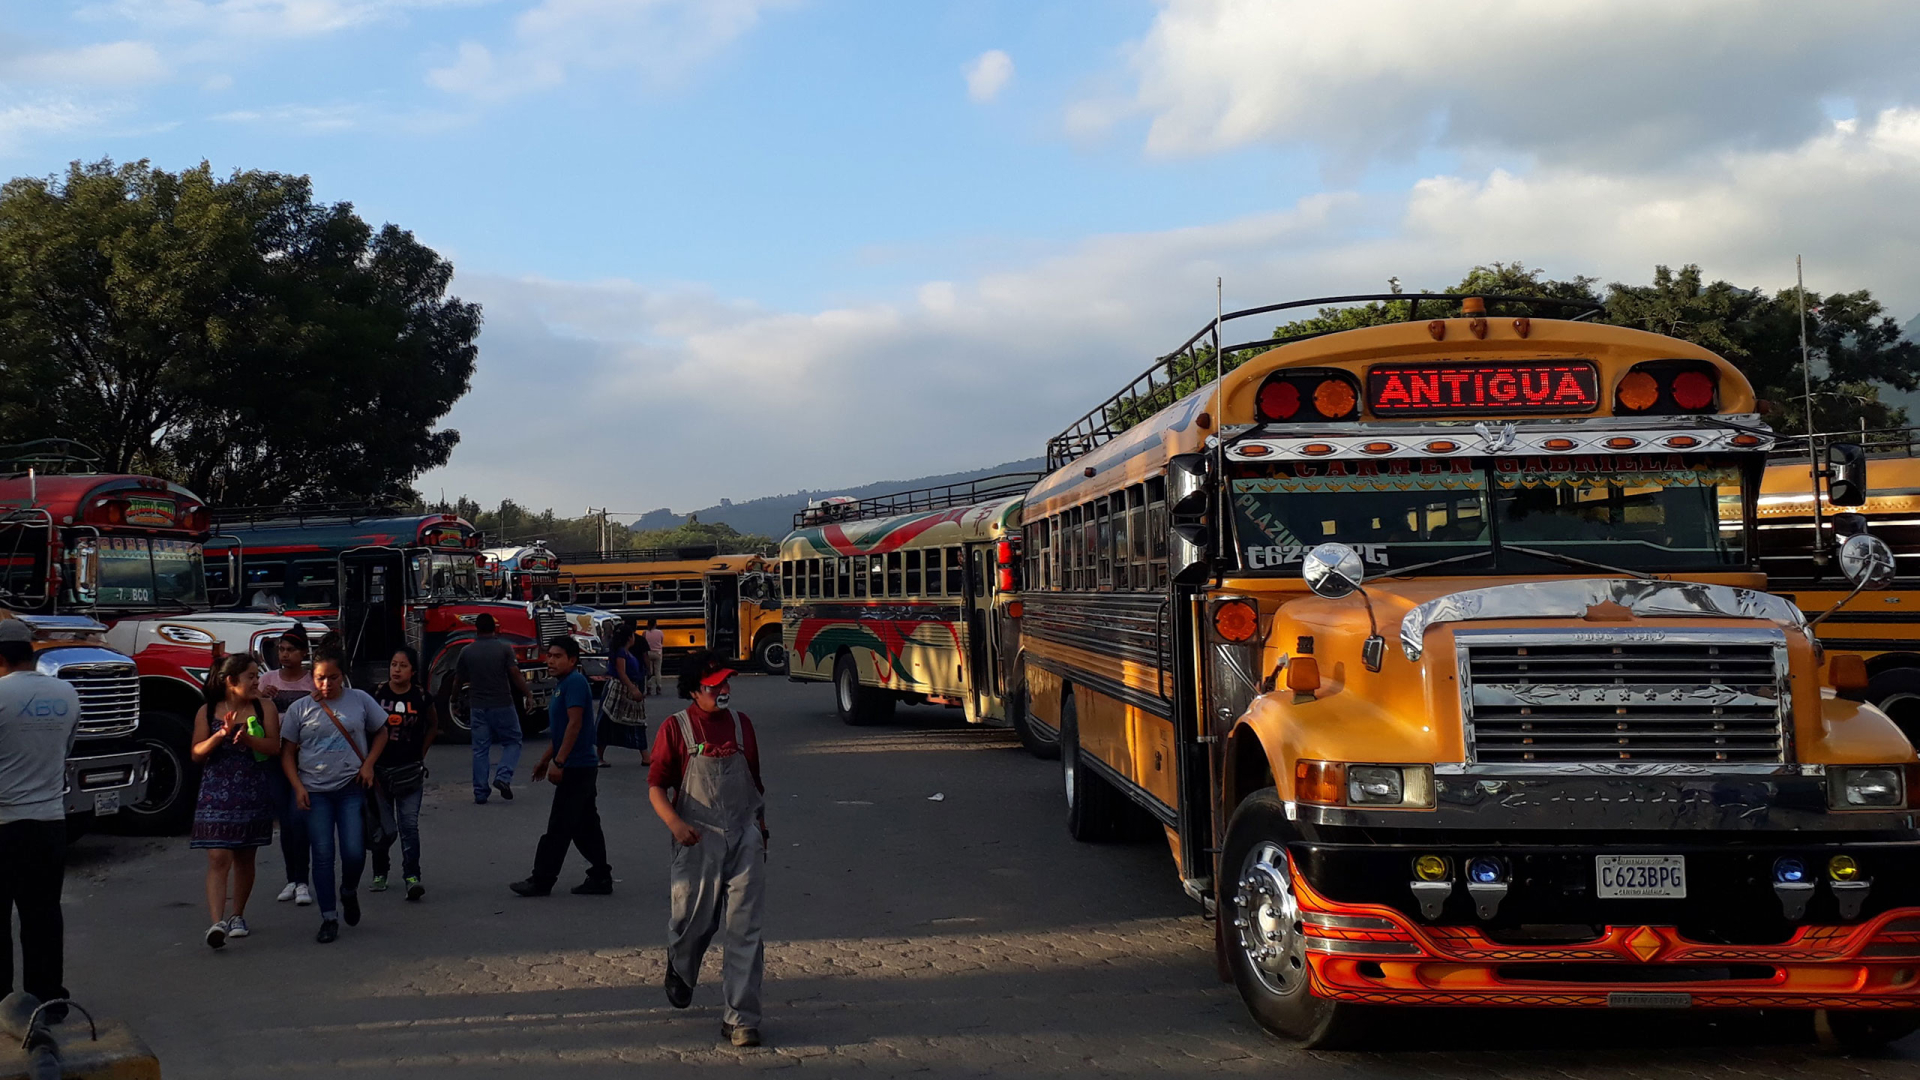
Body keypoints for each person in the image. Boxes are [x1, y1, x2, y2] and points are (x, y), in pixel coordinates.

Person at [648, 651, 767, 1048]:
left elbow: (754, 782)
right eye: (715, 686)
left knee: (744, 929)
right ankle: (681, 965)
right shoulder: (676, 728)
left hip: (744, 836)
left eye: (726, 683)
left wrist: (760, 831)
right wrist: (675, 824)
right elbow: (656, 787)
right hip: (696, 840)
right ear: (695, 690)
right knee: (694, 922)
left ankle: (742, 1019)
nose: (723, 690)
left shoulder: (742, 725)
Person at [280, 646, 389, 944]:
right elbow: (287, 752)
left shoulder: (360, 701)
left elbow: (382, 731)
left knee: (354, 851)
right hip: (315, 793)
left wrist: (369, 764)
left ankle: (349, 890)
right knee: (324, 854)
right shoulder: (299, 709)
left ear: (343, 676)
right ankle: (329, 917)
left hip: (351, 788)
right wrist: (298, 786)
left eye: (332, 678)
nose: (326, 685)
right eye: (319, 678)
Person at [0, 619, 80, 1013]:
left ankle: (4, 1004)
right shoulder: (66, 693)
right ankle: (48, 997)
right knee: (44, 913)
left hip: (4, 823)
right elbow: (64, 750)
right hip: (49, 820)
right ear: (32, 652)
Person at [189, 655, 280, 948]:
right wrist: (221, 736)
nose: (257, 682)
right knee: (218, 857)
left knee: (244, 856)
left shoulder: (264, 707)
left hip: (252, 791)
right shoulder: (207, 711)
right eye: (251, 677)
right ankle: (217, 922)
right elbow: (196, 753)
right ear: (231, 681)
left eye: (258, 676)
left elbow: (274, 747)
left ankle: (237, 915)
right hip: (215, 792)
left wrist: (250, 740)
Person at [510, 636, 611, 898]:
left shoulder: (575, 683)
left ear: (572, 660)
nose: (550, 660)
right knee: (585, 825)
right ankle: (600, 876)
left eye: (557, 656)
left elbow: (575, 725)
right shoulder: (562, 685)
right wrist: (545, 759)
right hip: (576, 764)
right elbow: (561, 730)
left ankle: (541, 880)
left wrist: (560, 762)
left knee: (559, 827)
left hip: (577, 767)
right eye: (549, 655)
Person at [369, 646, 436, 902]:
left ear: (413, 671)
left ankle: (412, 876)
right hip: (379, 772)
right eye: (394, 664)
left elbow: (433, 725)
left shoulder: (421, 696)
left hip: (410, 773)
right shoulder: (376, 694)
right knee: (382, 827)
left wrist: (422, 752)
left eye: (402, 666)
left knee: (409, 826)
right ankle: (380, 872)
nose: (396, 670)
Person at [260, 626, 315, 907]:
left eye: (290, 650)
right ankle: (291, 879)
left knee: (298, 818)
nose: (284, 655)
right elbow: (251, 712)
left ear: (303, 653)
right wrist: (261, 698)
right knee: (284, 820)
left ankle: (303, 880)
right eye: (281, 649)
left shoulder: (311, 682)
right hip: (273, 757)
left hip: (302, 759)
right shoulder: (267, 679)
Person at [453, 614, 532, 804]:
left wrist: (455, 701)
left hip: (478, 706)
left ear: (476, 629)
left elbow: (458, 680)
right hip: (503, 703)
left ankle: (480, 792)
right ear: (494, 629)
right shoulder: (504, 649)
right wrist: (528, 694)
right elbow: (515, 674)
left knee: (480, 749)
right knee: (513, 741)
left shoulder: (467, 651)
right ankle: (503, 777)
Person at [597, 625, 648, 767]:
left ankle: (645, 755)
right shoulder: (621, 653)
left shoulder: (625, 652)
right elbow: (621, 672)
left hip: (626, 688)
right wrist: (632, 689)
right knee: (608, 723)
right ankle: (599, 755)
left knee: (637, 722)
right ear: (629, 638)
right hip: (620, 689)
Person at [643, 620, 665, 696]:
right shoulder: (660, 632)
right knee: (658, 671)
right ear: (655, 624)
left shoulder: (645, 633)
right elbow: (661, 642)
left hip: (648, 653)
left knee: (649, 671)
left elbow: (644, 643)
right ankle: (658, 687)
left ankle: (649, 687)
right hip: (658, 653)